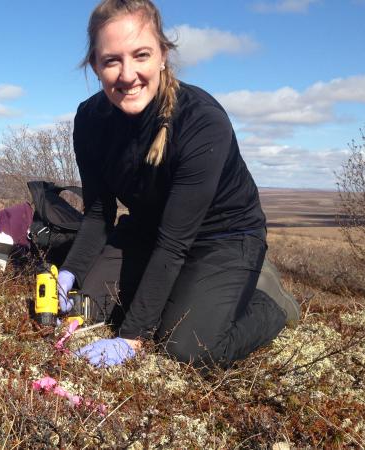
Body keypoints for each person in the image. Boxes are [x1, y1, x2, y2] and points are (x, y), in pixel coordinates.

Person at [58, 0, 300, 369]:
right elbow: (97, 212)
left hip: (223, 238)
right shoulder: (90, 121)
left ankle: (272, 300)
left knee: (188, 349)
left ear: (162, 56)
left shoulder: (202, 121)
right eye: (111, 60)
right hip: (152, 230)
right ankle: (183, 290)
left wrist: (131, 336)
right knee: (88, 305)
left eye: (141, 55)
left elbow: (175, 243)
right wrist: (69, 272)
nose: (127, 74)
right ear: (95, 65)